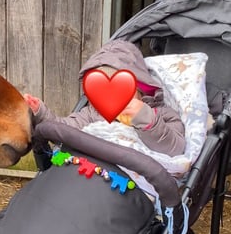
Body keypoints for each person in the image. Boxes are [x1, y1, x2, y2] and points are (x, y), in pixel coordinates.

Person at [24, 40, 185, 157]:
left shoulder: (162, 115)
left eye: (121, 90)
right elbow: (64, 130)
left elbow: (175, 149)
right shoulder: (91, 114)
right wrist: (41, 113)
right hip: (87, 175)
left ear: (141, 89)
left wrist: (145, 118)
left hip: (132, 186)